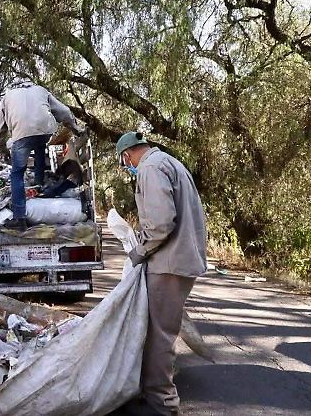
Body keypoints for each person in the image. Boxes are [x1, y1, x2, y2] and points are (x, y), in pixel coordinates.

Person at [116, 131, 207, 416]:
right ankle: (152, 391)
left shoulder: (150, 168)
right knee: (161, 330)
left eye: (124, 163)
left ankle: (162, 403)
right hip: (179, 259)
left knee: (159, 335)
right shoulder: (169, 162)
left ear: (127, 155)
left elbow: (160, 224)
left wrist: (138, 251)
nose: (128, 168)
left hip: (169, 263)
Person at [0, 79, 83, 230]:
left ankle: (19, 217)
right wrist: (75, 128)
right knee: (40, 146)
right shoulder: (41, 90)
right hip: (45, 130)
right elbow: (64, 112)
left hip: (21, 134)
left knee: (17, 174)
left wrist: (4, 151)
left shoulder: (7, 97)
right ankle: (39, 184)